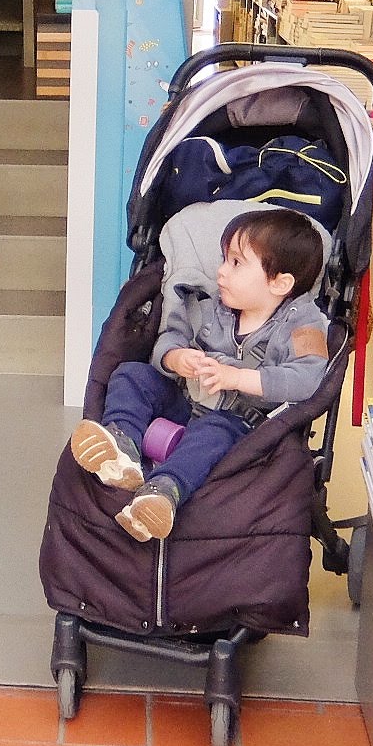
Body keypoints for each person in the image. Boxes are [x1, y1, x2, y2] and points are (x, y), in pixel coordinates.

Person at [70, 208, 330, 541]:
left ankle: (165, 490)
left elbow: (309, 378)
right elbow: (171, 336)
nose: (220, 272)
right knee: (130, 374)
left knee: (213, 430)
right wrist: (176, 358)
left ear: (280, 283)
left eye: (235, 263)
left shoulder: (301, 324)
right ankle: (123, 446)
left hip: (237, 422)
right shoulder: (207, 303)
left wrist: (236, 378)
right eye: (224, 260)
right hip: (184, 398)